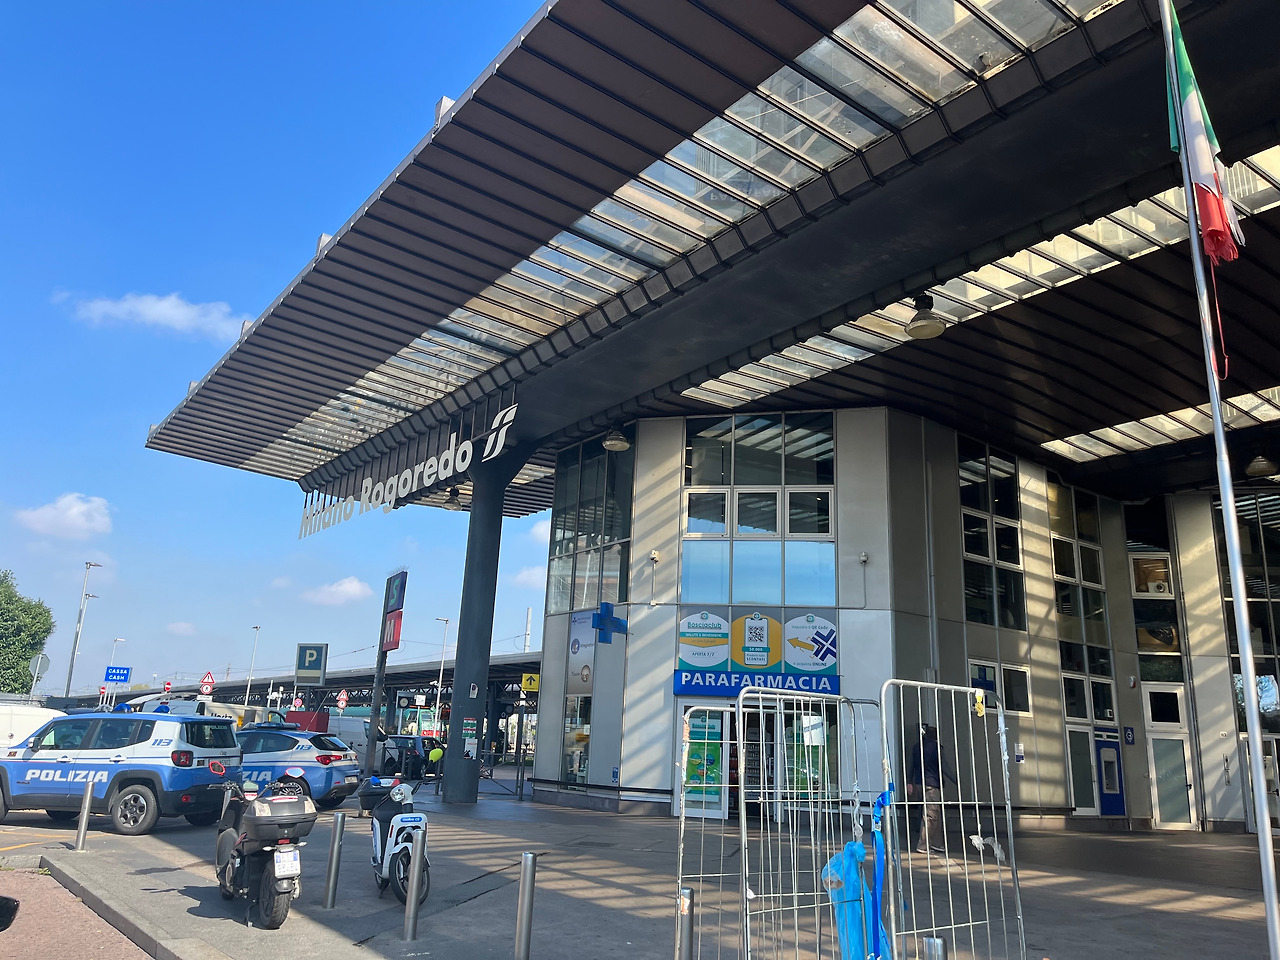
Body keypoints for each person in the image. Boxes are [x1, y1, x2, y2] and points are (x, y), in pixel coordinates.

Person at [907, 724, 955, 854]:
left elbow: (911, 765)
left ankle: (936, 843)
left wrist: (909, 782)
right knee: (931, 816)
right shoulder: (936, 747)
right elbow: (944, 767)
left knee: (933, 813)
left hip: (918, 784)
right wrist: (956, 780)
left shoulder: (916, 747)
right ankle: (923, 845)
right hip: (931, 785)